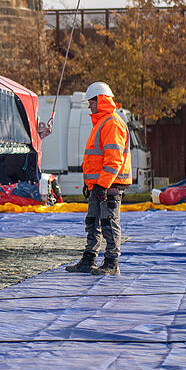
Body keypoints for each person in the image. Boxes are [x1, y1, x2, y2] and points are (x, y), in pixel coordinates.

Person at [65, 82, 132, 275]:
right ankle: (89, 259)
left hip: (109, 185)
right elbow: (97, 160)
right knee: (93, 221)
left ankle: (111, 263)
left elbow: (113, 159)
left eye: (91, 102)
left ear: (101, 100)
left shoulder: (111, 123)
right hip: (100, 185)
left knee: (109, 222)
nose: (89, 106)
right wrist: (91, 184)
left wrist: (102, 185)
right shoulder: (102, 123)